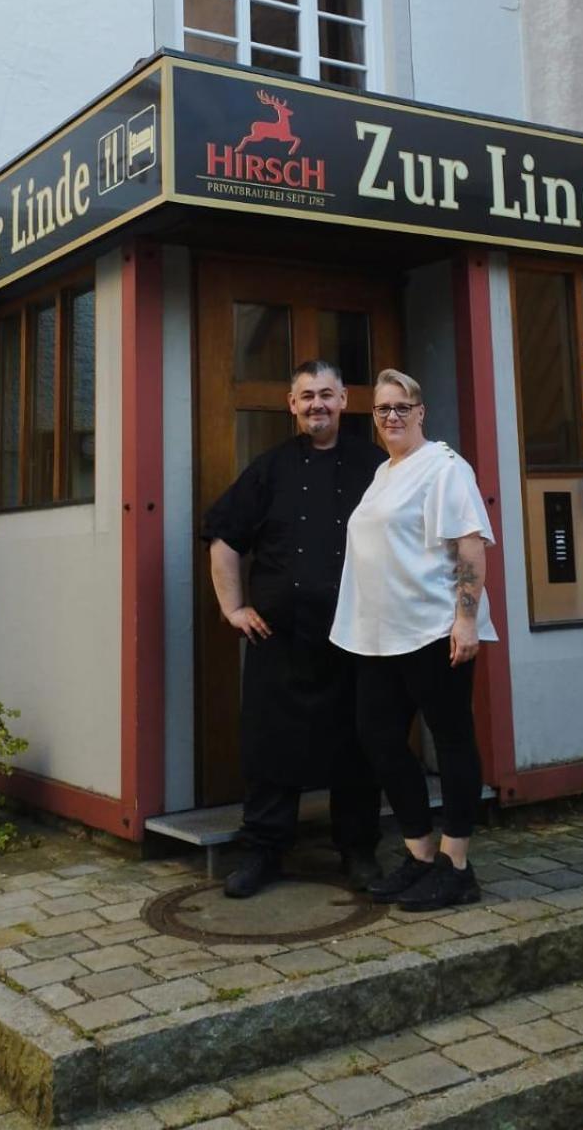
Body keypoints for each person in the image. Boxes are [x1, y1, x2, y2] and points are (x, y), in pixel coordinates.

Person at [202, 359, 384, 899]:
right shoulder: (269, 469)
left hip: (354, 637)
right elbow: (223, 535)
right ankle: (264, 852)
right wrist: (233, 608)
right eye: (306, 397)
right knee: (269, 747)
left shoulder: (376, 467)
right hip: (277, 640)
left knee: (358, 746)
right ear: (291, 404)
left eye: (326, 395)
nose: (316, 406)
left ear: (344, 400)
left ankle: (359, 851)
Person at [330, 368, 497, 912]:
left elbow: (471, 548)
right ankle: (420, 851)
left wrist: (466, 621)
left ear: (421, 412)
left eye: (402, 407)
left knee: (450, 741)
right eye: (382, 409)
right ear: (373, 418)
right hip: (380, 636)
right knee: (375, 736)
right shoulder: (385, 472)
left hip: (432, 630)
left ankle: (456, 865)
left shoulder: (444, 468)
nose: (393, 417)